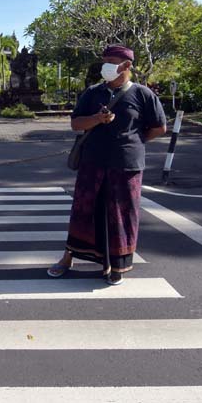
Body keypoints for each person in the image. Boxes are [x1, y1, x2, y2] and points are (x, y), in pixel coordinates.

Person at [48, 44, 167, 285]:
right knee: (83, 212)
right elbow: (76, 124)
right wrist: (97, 119)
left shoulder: (143, 94)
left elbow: (159, 127)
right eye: (105, 61)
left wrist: (135, 141)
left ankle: (117, 265)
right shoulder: (92, 93)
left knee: (122, 216)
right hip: (92, 162)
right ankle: (68, 258)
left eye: (112, 60)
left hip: (126, 166)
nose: (106, 66)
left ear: (127, 65)